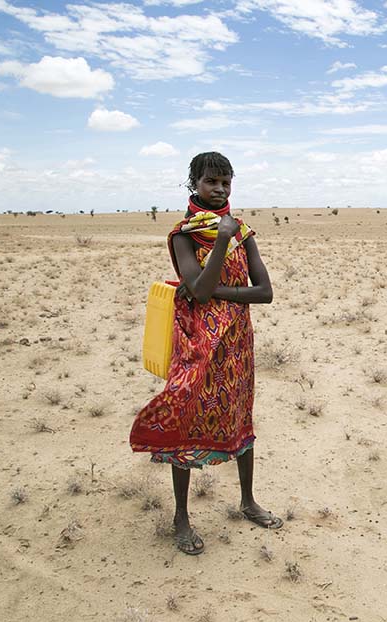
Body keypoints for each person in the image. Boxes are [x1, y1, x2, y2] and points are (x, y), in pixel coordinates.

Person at [130, 151, 282, 555]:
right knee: (186, 418)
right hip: (196, 345)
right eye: (211, 182)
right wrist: (220, 239)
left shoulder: (243, 232)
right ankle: (181, 517)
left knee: (239, 417)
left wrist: (212, 291)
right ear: (193, 184)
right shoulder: (184, 235)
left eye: (226, 182)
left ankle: (247, 501)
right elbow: (195, 289)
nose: (219, 189)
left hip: (236, 347)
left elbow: (263, 293)